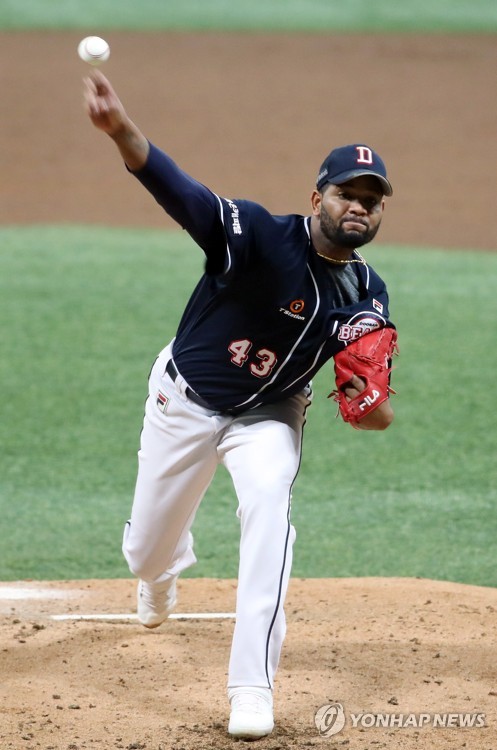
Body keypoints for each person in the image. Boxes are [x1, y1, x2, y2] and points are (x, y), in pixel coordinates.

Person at [83, 71, 395, 740]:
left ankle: (252, 686)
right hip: (184, 401)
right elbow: (183, 194)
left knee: (270, 510)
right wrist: (121, 131)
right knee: (144, 553)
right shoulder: (255, 233)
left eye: (371, 201)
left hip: (269, 417)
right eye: (346, 193)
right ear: (317, 197)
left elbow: (373, 413)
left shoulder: (368, 295)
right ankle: (163, 568)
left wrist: (368, 401)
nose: (358, 207)